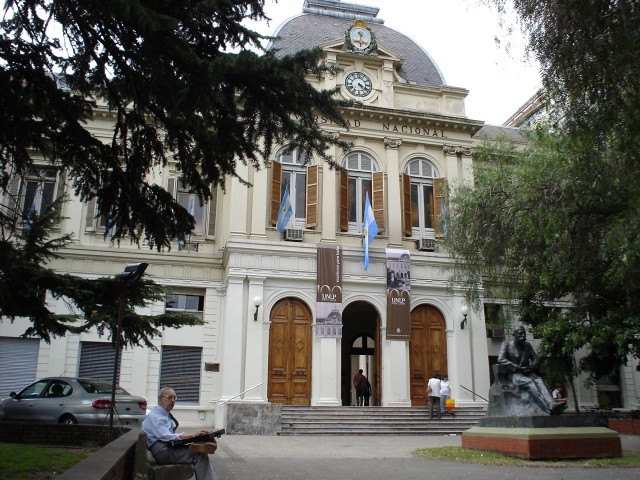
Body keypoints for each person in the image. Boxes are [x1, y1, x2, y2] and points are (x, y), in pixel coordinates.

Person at [142, 387, 215, 480]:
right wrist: (193, 435)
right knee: (199, 454)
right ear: (160, 399)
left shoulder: (162, 414)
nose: (173, 401)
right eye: (169, 398)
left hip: (166, 448)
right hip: (163, 452)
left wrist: (193, 438)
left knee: (198, 448)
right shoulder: (156, 416)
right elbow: (166, 436)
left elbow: (168, 436)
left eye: (175, 398)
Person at [497, 326, 563, 415]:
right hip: (514, 374)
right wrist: (516, 367)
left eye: (524, 333)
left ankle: (552, 404)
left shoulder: (527, 345)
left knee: (539, 381)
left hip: (527, 372)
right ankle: (547, 408)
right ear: (514, 335)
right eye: (520, 333)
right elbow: (501, 359)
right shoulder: (507, 345)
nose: (523, 336)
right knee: (530, 383)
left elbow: (535, 359)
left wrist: (531, 367)